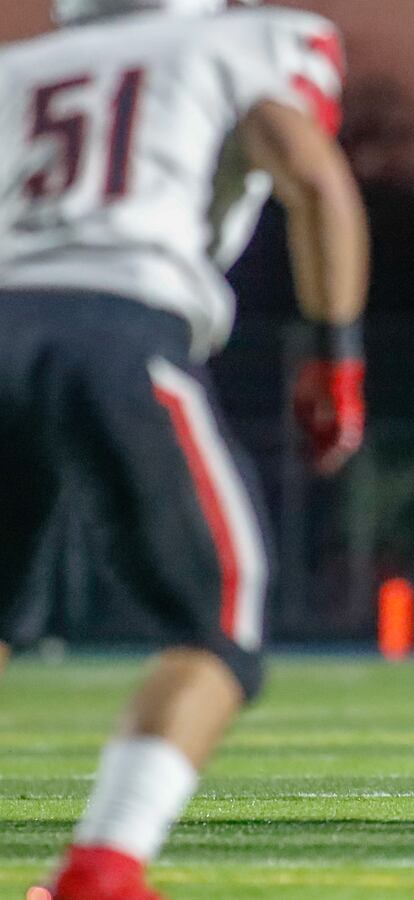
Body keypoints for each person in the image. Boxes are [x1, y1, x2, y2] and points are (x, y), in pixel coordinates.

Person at [0, 1, 368, 896]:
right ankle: (103, 867)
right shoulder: (230, 41)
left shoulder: (16, 68)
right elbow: (313, 179)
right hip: (116, 323)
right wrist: (336, 360)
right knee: (221, 616)